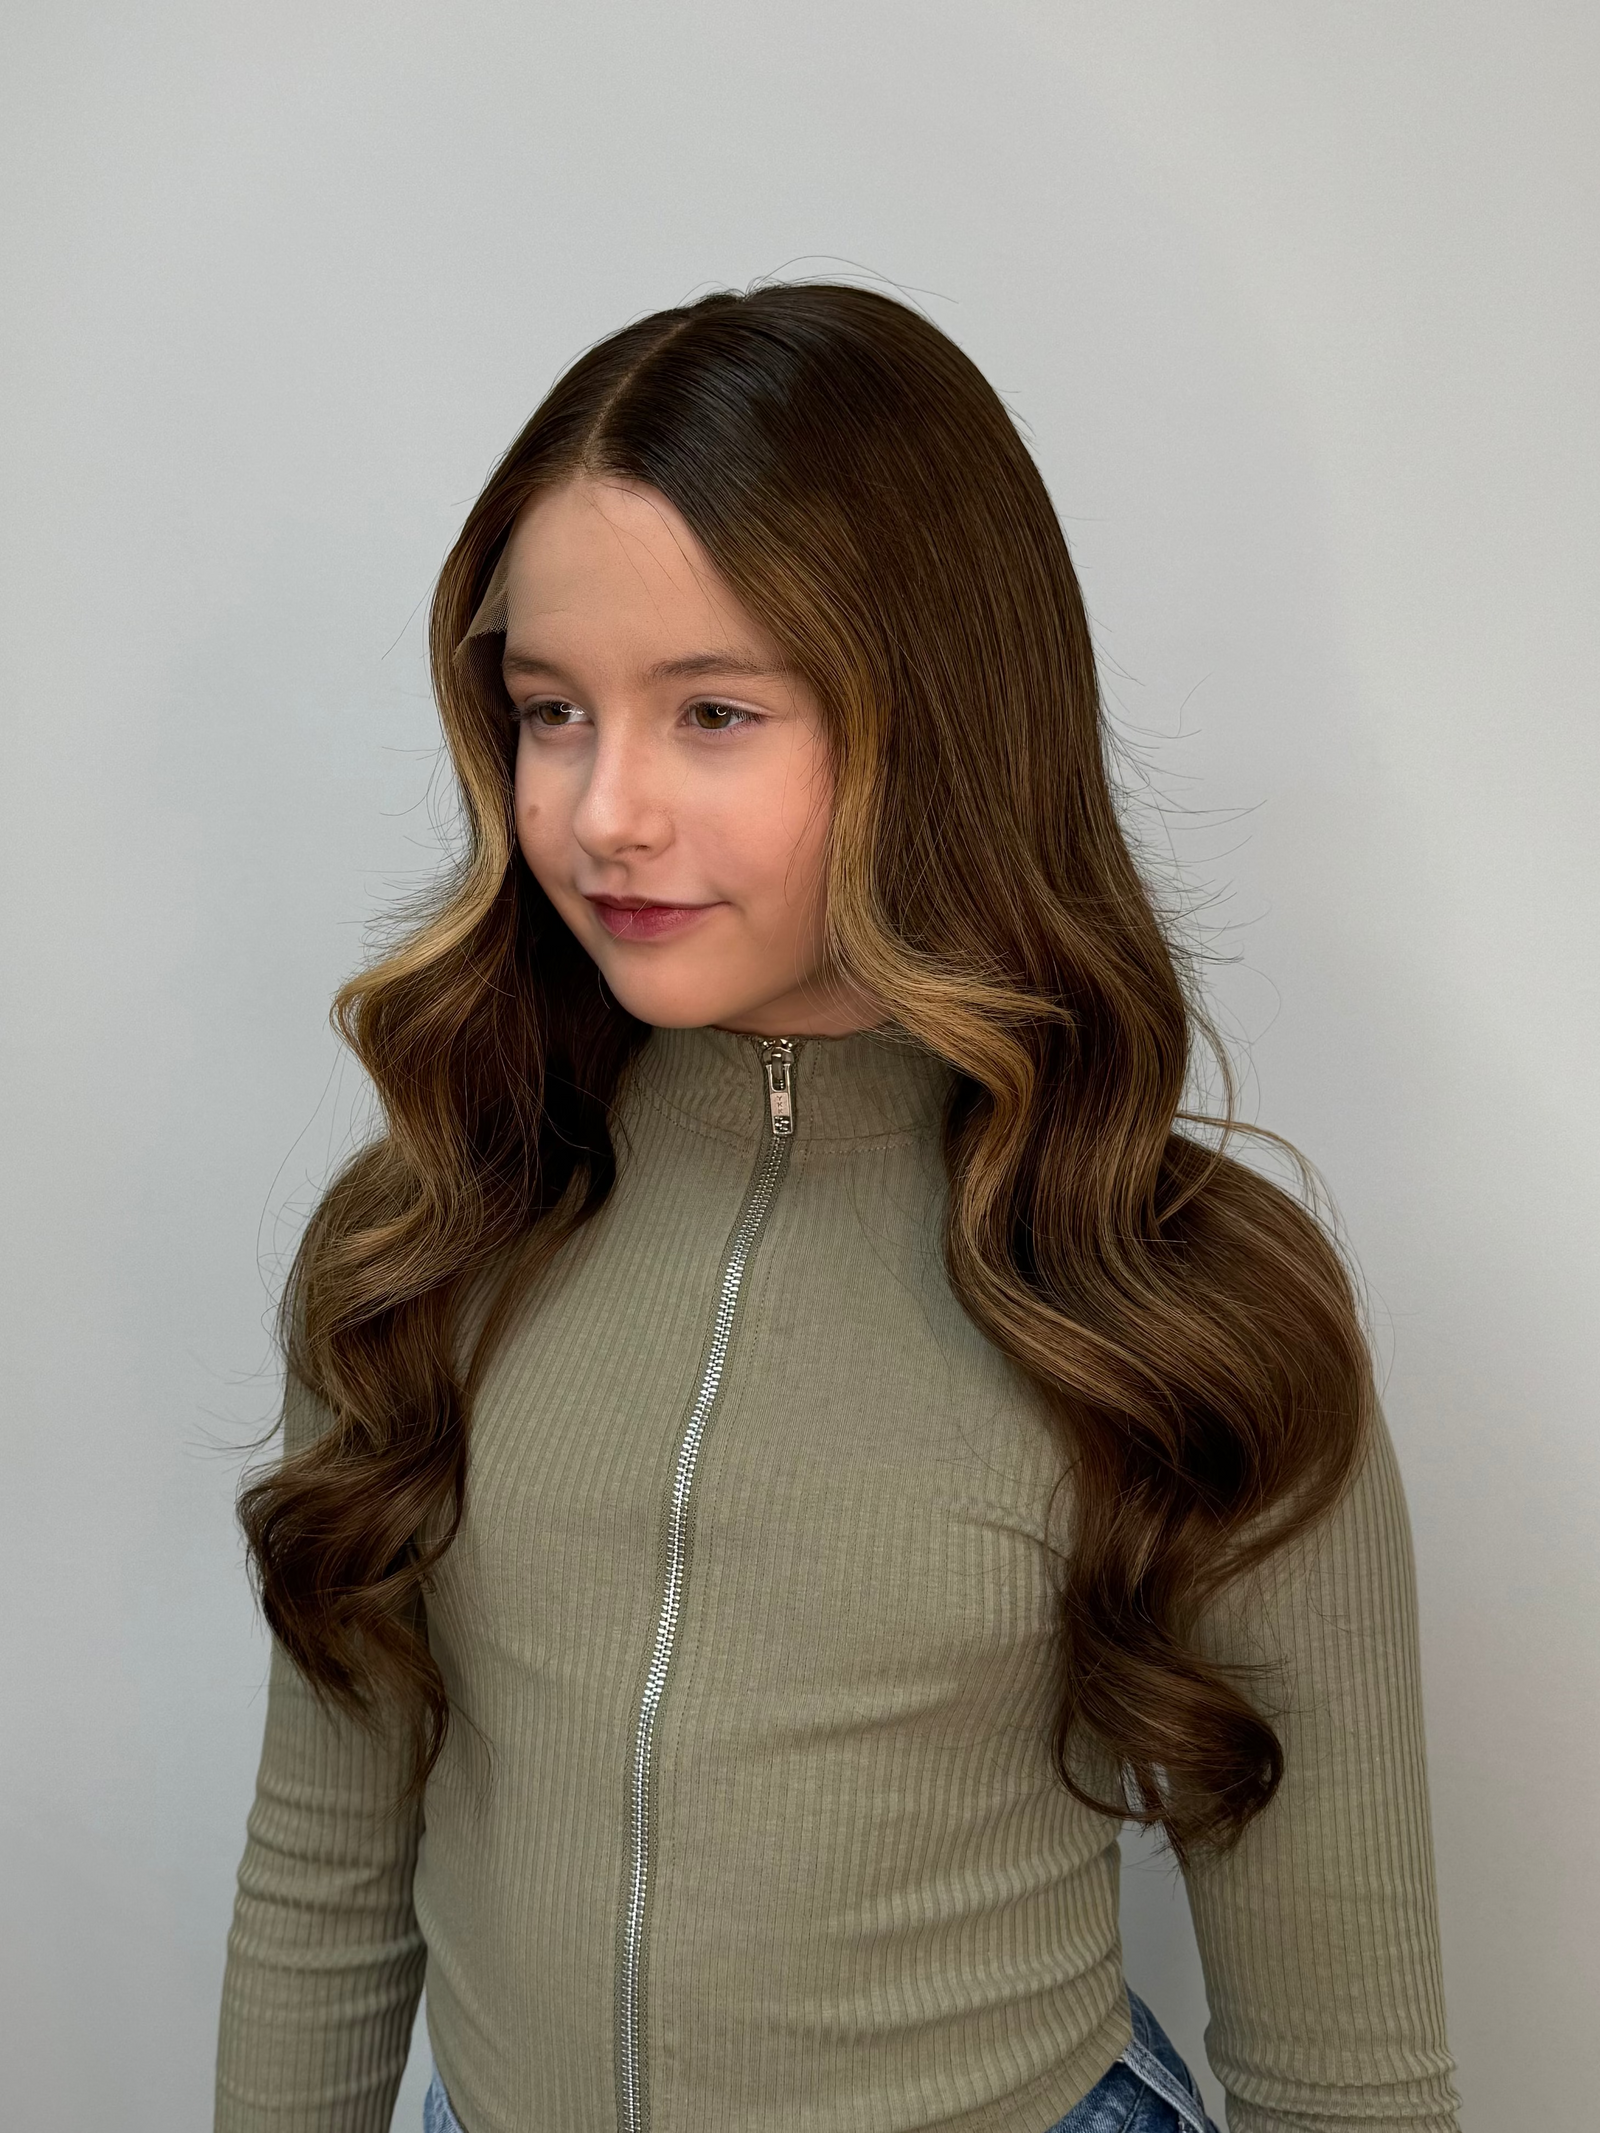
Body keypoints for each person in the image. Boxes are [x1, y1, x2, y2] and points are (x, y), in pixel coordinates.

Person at [215, 283, 1461, 2133]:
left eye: (714, 711)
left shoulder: (1185, 1300)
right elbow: (323, 1873)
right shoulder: (427, 1237)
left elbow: (1346, 2047)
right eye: (551, 711)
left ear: (942, 720)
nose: (602, 811)